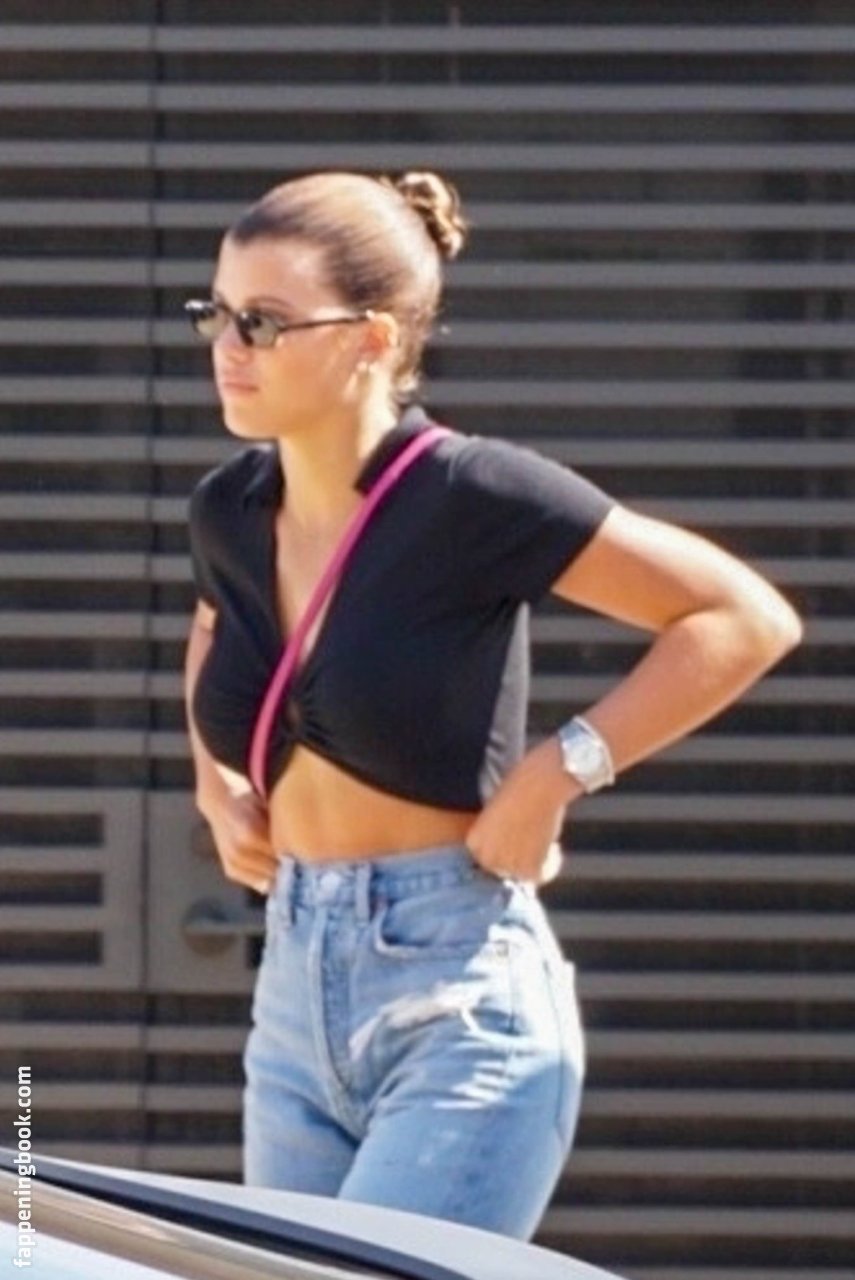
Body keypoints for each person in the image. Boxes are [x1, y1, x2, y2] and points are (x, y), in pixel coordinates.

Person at [183, 169, 802, 1239]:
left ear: (372, 339)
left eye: (264, 322)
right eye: (217, 314)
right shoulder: (230, 509)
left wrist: (558, 770)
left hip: (459, 995)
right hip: (291, 1000)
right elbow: (216, 629)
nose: (228, 347)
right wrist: (216, 785)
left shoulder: (470, 495)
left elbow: (741, 617)